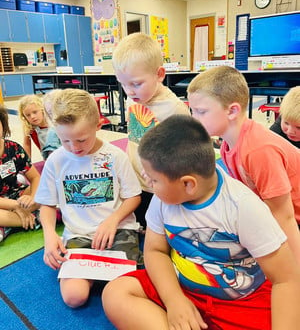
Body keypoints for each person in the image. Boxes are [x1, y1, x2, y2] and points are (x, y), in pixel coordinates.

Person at [102, 115, 300, 330]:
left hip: (241, 301)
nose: (147, 181)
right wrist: (174, 300)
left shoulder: (243, 208)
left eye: (153, 179)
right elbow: (155, 251)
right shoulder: (163, 199)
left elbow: (286, 280)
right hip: (180, 287)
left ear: (188, 184)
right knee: (116, 293)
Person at [34, 89, 142, 308]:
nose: (74, 148)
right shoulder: (56, 160)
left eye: (82, 139)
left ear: (98, 126)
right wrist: (49, 236)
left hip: (119, 229)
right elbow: (46, 205)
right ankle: (95, 273)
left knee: (127, 292)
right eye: (65, 141)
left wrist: (113, 220)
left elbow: (133, 197)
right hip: (79, 233)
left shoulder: (115, 156)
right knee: (74, 297)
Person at [187, 66, 300, 263]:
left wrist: (294, 273)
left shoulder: (257, 150)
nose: (194, 119)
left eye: (201, 112)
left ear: (232, 111)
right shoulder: (226, 144)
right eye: (193, 111)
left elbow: (285, 217)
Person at [112, 32, 190, 228]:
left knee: (163, 231)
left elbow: (186, 154)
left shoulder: (174, 109)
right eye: (123, 84)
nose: (129, 91)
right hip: (135, 182)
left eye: (136, 84)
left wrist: (162, 172)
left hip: (160, 187)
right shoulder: (134, 97)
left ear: (159, 74)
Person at [0, 105, 40, 242]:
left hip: (18, 194)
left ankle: (8, 225)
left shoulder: (14, 148)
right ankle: (35, 218)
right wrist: (16, 206)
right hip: (4, 203)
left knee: (49, 186)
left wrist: (33, 198)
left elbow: (35, 178)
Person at [18, 94, 50, 160]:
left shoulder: (52, 122)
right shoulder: (29, 127)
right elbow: (27, 145)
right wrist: (27, 163)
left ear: (42, 109)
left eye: (35, 112)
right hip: (48, 159)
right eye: (28, 115)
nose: (32, 117)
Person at [42, 90, 62, 158]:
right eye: (51, 113)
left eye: (58, 110)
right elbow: (52, 158)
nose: (55, 116)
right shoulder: (53, 132)